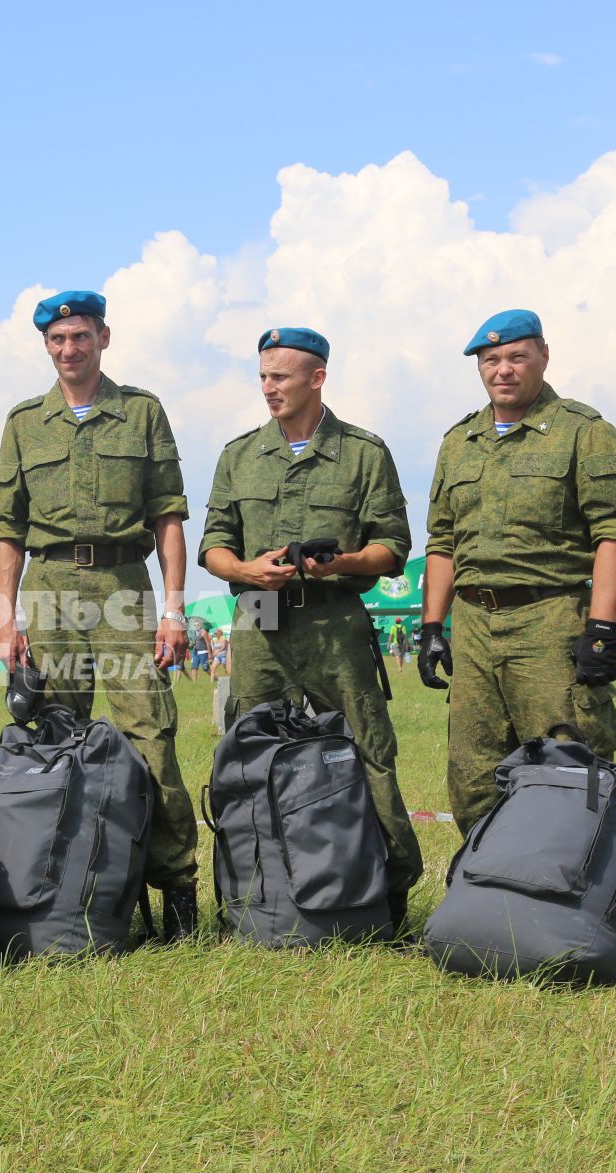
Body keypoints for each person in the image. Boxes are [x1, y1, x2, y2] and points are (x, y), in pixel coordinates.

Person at [0, 290, 201, 939]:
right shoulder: (24, 421)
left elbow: (169, 514)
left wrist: (172, 608)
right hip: (48, 584)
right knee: (55, 744)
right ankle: (67, 892)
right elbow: (7, 530)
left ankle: (179, 891)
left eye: (80, 336)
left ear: (103, 338)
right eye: (57, 340)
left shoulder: (140, 412)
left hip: (122, 582)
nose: (68, 349)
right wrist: (5, 618)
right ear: (46, 347)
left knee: (151, 737)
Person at [199, 326, 422, 927]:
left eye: (280, 377)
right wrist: (245, 569)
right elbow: (213, 546)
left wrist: (342, 563)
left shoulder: (362, 453)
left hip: (333, 624)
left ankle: (388, 897)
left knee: (367, 749)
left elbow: (393, 548)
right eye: (263, 377)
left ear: (317, 377)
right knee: (249, 752)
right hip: (259, 623)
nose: (268, 389)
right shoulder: (239, 454)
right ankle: (252, 899)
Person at [419, 309, 616, 834]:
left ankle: (577, 893)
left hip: (550, 619)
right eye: (490, 360)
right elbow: (443, 540)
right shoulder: (459, 441)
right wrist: (432, 626)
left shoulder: (586, 433)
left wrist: (603, 629)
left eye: (517, 357)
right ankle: (486, 891)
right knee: (472, 774)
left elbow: (614, 534)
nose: (504, 370)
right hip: (473, 625)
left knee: (569, 765)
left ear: (543, 354)